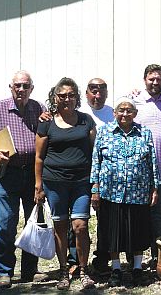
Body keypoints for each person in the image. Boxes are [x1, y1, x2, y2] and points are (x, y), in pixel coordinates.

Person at [0, 71, 47, 289]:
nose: (21, 90)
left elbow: (48, 135)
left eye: (26, 86)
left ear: (32, 88)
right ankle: (4, 271)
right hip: (6, 174)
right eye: (17, 85)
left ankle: (30, 270)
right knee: (6, 223)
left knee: (33, 222)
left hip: (33, 175)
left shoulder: (39, 109)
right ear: (11, 87)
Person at [34, 77, 96, 290]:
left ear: (77, 97)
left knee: (80, 226)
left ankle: (83, 270)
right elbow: (39, 157)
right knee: (60, 226)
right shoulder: (46, 122)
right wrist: (38, 185)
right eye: (62, 95)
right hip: (54, 183)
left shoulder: (86, 120)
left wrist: (95, 184)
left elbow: (94, 154)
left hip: (81, 183)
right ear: (55, 97)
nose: (67, 99)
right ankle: (63, 270)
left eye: (71, 95)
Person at [90, 97, 159, 287]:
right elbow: (96, 161)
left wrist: (155, 188)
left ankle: (137, 268)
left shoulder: (144, 132)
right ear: (114, 113)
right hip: (111, 192)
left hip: (138, 192)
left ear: (135, 114)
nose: (125, 114)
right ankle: (116, 269)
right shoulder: (104, 131)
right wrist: (95, 189)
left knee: (138, 231)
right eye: (121, 110)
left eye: (129, 110)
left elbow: (152, 161)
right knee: (113, 233)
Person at [71, 78, 114, 274]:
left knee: (104, 218)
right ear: (86, 93)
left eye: (101, 92)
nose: (97, 96)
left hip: (105, 174)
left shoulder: (112, 113)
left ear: (106, 93)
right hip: (80, 172)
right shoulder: (77, 114)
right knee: (77, 218)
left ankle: (102, 258)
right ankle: (75, 260)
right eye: (93, 91)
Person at [131, 64, 161, 269]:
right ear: (144, 79)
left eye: (158, 79)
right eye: (151, 79)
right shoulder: (134, 101)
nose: (155, 82)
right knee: (138, 213)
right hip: (139, 170)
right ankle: (135, 258)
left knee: (159, 215)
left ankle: (159, 256)